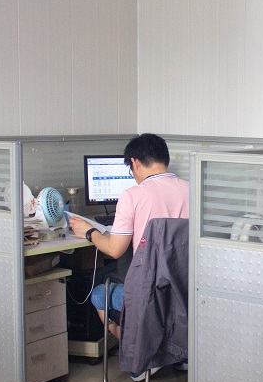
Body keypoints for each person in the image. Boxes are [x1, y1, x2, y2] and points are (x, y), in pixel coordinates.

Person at [70, 133, 189, 348]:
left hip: (147, 296)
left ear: (135, 162)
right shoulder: (191, 189)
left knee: (98, 294)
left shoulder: (132, 195)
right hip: (183, 294)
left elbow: (114, 249)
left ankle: (132, 343)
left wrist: (89, 231)